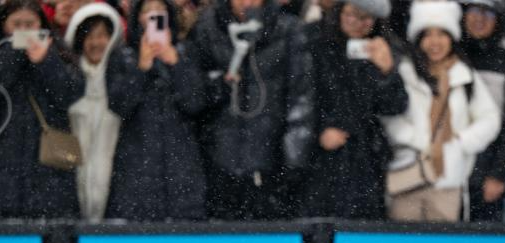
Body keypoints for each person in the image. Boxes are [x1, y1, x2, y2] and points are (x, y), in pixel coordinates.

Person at [188, 0, 314, 220]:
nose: (247, 3)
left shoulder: (288, 28)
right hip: (219, 160)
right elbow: (194, 93)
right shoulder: (208, 27)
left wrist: (293, 158)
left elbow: (300, 96)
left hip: (271, 161)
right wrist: (220, 86)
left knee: (270, 240)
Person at [382, 0, 500, 222]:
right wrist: (420, 141)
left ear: (451, 38)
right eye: (427, 35)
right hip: (409, 175)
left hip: (449, 180)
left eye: (442, 34)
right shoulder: (406, 73)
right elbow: (390, 115)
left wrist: (459, 143)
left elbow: (490, 119)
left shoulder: (464, 76)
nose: (434, 42)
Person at [302, 0, 408, 219]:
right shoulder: (314, 42)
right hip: (318, 161)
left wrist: (387, 71)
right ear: (340, 11)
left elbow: (395, 106)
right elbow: (298, 98)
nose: (358, 23)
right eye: (352, 14)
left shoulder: (385, 47)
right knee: (316, 230)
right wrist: (319, 132)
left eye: (367, 18)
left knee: (359, 233)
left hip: (365, 161)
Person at [104, 0, 208, 220]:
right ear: (136, 18)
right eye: (147, 11)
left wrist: (175, 63)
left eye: (159, 11)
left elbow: (196, 102)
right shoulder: (122, 56)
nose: (153, 16)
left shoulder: (187, 51)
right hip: (136, 167)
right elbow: (118, 106)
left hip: (182, 166)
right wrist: (141, 68)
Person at [0, 0, 84, 218]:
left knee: (50, 233)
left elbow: (70, 95)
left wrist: (45, 61)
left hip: (49, 166)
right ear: (3, 25)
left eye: (30, 24)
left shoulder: (58, 50)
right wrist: (13, 54)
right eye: (16, 24)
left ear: (41, 24)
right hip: (1, 166)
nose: (23, 31)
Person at [460, 0, 505, 221]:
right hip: (450, 169)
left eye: (488, 14)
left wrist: (497, 173)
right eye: (474, 11)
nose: (479, 19)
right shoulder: (448, 50)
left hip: (486, 173)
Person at [66, 2, 123, 222]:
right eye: (89, 36)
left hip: (115, 187)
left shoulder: (122, 76)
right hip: (74, 181)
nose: (96, 43)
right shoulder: (68, 77)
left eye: (102, 35)